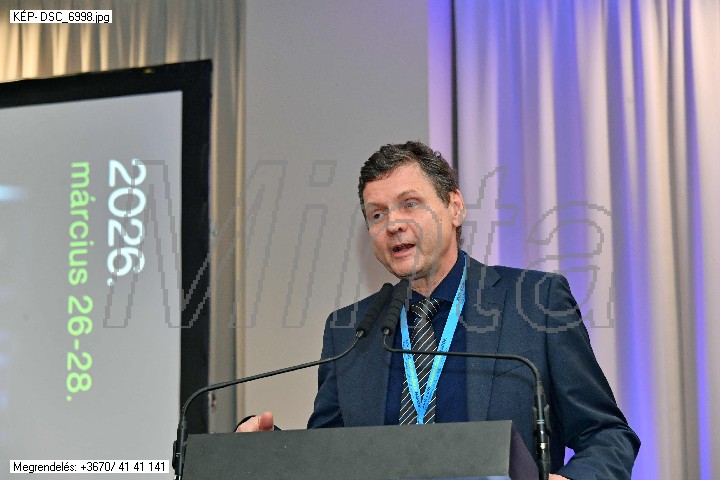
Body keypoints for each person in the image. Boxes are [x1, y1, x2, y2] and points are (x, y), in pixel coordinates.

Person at [238, 141, 640, 479]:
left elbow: (606, 435)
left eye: (409, 204)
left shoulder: (535, 302)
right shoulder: (349, 330)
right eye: (377, 214)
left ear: (455, 207)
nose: (392, 224)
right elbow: (327, 457)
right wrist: (271, 452)